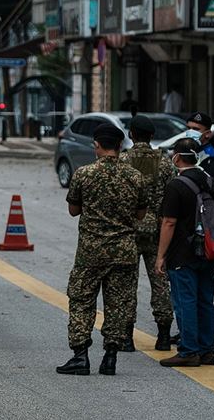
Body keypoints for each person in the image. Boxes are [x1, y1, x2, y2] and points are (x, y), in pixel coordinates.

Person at [57, 123, 148, 376]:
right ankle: (110, 357)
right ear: (120, 146)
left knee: (82, 300)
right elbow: (141, 215)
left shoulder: (84, 174)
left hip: (91, 251)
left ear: (97, 146)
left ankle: (80, 356)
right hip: (124, 251)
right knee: (118, 303)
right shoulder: (135, 176)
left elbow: (73, 210)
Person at [154, 137, 214, 367]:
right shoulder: (210, 181)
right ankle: (207, 351)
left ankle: (188, 351)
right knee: (205, 301)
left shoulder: (177, 185)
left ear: (177, 157)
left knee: (185, 301)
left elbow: (169, 223)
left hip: (183, 254)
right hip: (208, 251)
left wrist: (161, 256)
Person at [119, 115, 176, 352]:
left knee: (126, 285)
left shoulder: (123, 161)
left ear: (131, 135)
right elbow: (173, 197)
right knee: (160, 282)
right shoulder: (165, 164)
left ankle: (126, 337)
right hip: (158, 232)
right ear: (152, 136)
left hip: (129, 230)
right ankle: (163, 335)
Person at [185, 112, 214, 190]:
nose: (190, 132)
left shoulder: (210, 158)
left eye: (196, 129)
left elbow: (205, 187)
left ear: (208, 134)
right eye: (188, 128)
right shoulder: (190, 151)